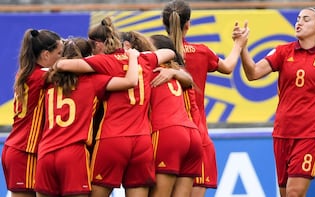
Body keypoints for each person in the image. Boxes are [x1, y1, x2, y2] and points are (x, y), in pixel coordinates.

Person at [237, 7, 315, 197]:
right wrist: (242, 47)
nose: (299, 22)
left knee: (294, 193)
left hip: (311, 133)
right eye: (298, 18)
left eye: (306, 19)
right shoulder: (282, 51)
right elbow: (252, 73)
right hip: (282, 132)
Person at [55, 16, 175, 197]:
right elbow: (170, 52)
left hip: (112, 139)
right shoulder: (145, 60)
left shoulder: (104, 62)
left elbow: (63, 65)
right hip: (142, 141)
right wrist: (136, 56)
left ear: (99, 44)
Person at [159, 1, 248, 196]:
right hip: (197, 135)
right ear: (188, 24)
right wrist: (239, 45)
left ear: (163, 23)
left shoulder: (154, 55)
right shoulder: (201, 51)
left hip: (164, 136)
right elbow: (228, 66)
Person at [34, 37, 139, 197]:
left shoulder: (48, 81)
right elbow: (130, 81)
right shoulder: (93, 81)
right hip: (73, 153)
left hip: (45, 154)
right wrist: (132, 57)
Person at [1, 29, 63, 197]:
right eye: (59, 53)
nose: (62, 58)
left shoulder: (27, 72)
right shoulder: (40, 76)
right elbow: (69, 70)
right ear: (45, 55)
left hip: (17, 147)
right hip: (25, 151)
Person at [146, 34, 203, 197]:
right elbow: (189, 80)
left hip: (168, 133)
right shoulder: (179, 73)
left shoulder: (150, 71)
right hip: (192, 136)